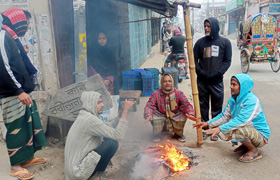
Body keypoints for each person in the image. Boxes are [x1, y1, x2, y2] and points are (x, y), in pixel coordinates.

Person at [0, 8, 47, 180]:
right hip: (12, 94)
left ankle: (25, 159)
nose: (27, 27)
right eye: (26, 23)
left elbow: (14, 62)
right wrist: (18, 91)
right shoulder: (3, 37)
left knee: (27, 126)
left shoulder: (12, 38)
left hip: (22, 91)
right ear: (18, 21)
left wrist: (23, 54)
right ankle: (15, 166)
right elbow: (3, 68)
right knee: (16, 128)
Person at [193, 74, 270, 163]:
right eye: (231, 84)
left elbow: (241, 120)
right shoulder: (233, 99)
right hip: (249, 130)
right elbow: (224, 116)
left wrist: (219, 129)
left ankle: (253, 151)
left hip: (261, 135)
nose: (231, 87)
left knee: (236, 130)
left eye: (234, 85)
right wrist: (208, 123)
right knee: (232, 127)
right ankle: (246, 145)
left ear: (243, 87)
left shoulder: (252, 101)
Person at [65, 91, 135, 180]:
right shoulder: (89, 120)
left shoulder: (86, 115)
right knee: (112, 143)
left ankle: (96, 174)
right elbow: (118, 135)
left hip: (74, 170)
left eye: (102, 102)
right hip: (78, 173)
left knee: (110, 140)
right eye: (98, 102)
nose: (102, 105)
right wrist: (125, 111)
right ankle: (93, 177)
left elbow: (109, 127)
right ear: (90, 103)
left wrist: (121, 111)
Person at [193, 17, 232, 141]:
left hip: (216, 81)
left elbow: (227, 61)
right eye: (205, 26)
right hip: (202, 81)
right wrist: (201, 72)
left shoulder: (225, 43)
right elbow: (194, 60)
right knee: (203, 107)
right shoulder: (199, 43)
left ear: (215, 27)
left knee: (216, 107)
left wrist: (218, 73)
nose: (206, 28)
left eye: (208, 26)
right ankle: (204, 131)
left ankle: (214, 131)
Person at [144, 74, 196, 143]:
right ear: (161, 83)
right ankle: (157, 134)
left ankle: (178, 134)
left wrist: (190, 113)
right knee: (153, 114)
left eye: (169, 81)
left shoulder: (179, 93)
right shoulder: (156, 94)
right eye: (164, 81)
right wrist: (148, 115)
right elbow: (149, 105)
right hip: (161, 115)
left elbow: (186, 104)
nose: (167, 83)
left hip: (174, 115)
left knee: (183, 114)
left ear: (172, 83)